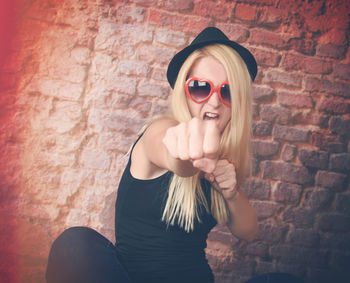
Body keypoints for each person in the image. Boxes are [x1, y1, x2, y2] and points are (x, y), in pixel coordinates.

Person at [46, 27, 305, 283]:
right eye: (202, 88)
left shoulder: (223, 163)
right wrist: (184, 157)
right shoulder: (159, 132)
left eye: (227, 92)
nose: (214, 102)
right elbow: (174, 157)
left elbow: (248, 231)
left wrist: (231, 191)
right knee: (75, 243)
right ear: (184, 92)